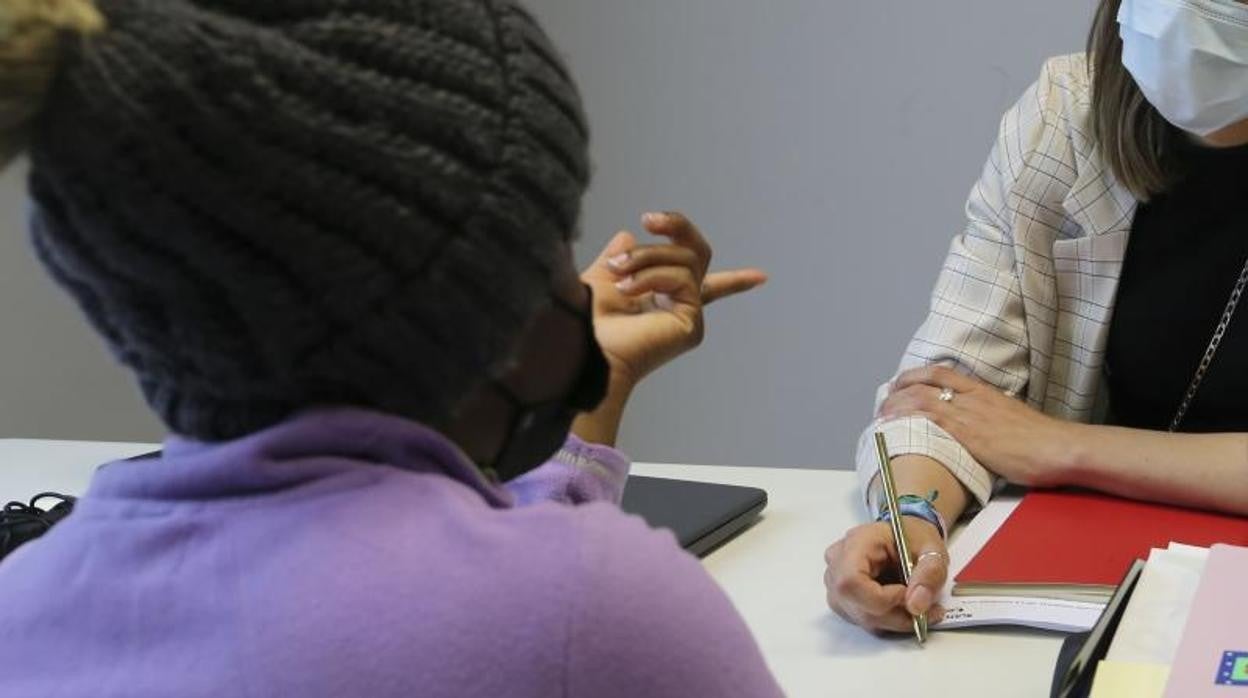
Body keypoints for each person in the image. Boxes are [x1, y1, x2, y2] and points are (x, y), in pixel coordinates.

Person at [0, 1, 784, 695]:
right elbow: (549, 622)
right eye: (552, 240)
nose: (579, 288)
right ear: (465, 301)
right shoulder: (609, 610)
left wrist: (595, 382)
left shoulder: (22, 610)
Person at [825, 0, 1248, 635]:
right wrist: (913, 517)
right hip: (1103, 581)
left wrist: (1067, 449)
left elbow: (1024, 437)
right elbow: (946, 389)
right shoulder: (1065, 111)